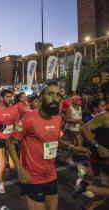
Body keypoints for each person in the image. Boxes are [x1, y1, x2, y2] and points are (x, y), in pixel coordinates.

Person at [7, 80, 87, 210]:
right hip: (32, 177)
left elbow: (56, 142)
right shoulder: (29, 119)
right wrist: (20, 169)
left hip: (51, 175)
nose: (55, 98)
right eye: (51, 94)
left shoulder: (58, 118)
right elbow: (10, 142)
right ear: (41, 97)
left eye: (58, 95)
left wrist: (71, 148)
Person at [80, 110, 109, 210]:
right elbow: (84, 129)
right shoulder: (105, 116)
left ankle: (88, 208)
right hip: (102, 159)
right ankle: (85, 186)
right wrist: (97, 146)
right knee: (104, 190)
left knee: (104, 192)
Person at [64, 95, 84, 165]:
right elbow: (66, 119)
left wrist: (81, 123)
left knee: (77, 144)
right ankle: (70, 158)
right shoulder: (70, 109)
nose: (80, 101)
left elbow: (80, 118)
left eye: (80, 99)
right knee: (76, 143)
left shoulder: (80, 108)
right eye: (79, 99)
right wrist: (75, 121)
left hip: (78, 128)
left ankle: (72, 157)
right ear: (74, 101)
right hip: (70, 129)